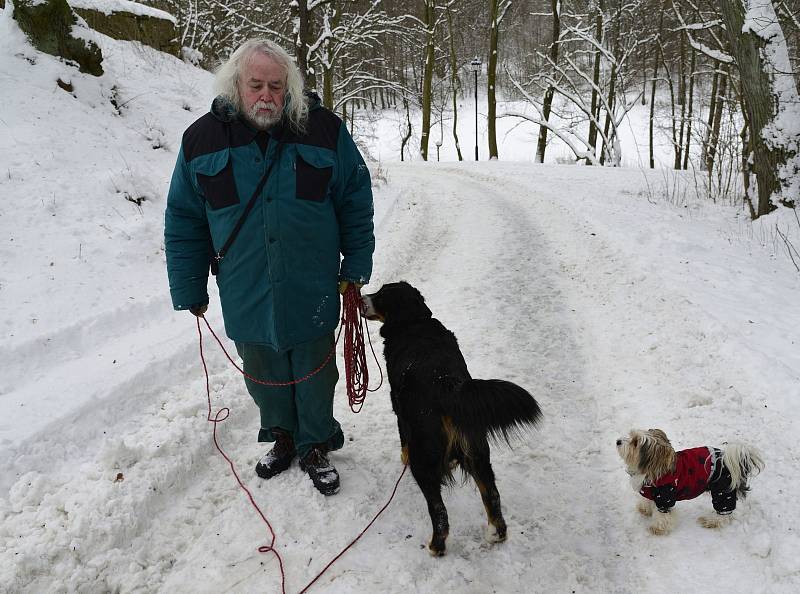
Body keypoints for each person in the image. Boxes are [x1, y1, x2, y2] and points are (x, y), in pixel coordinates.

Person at [164, 39, 374, 496]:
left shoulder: (323, 130)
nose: (265, 95)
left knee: (316, 370)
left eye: (276, 86)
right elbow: (184, 218)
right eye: (256, 84)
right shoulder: (200, 140)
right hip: (245, 286)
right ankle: (282, 436)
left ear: (289, 88)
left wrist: (356, 265)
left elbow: (355, 200)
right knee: (261, 367)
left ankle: (315, 443)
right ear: (236, 85)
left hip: (312, 282)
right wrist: (188, 285)